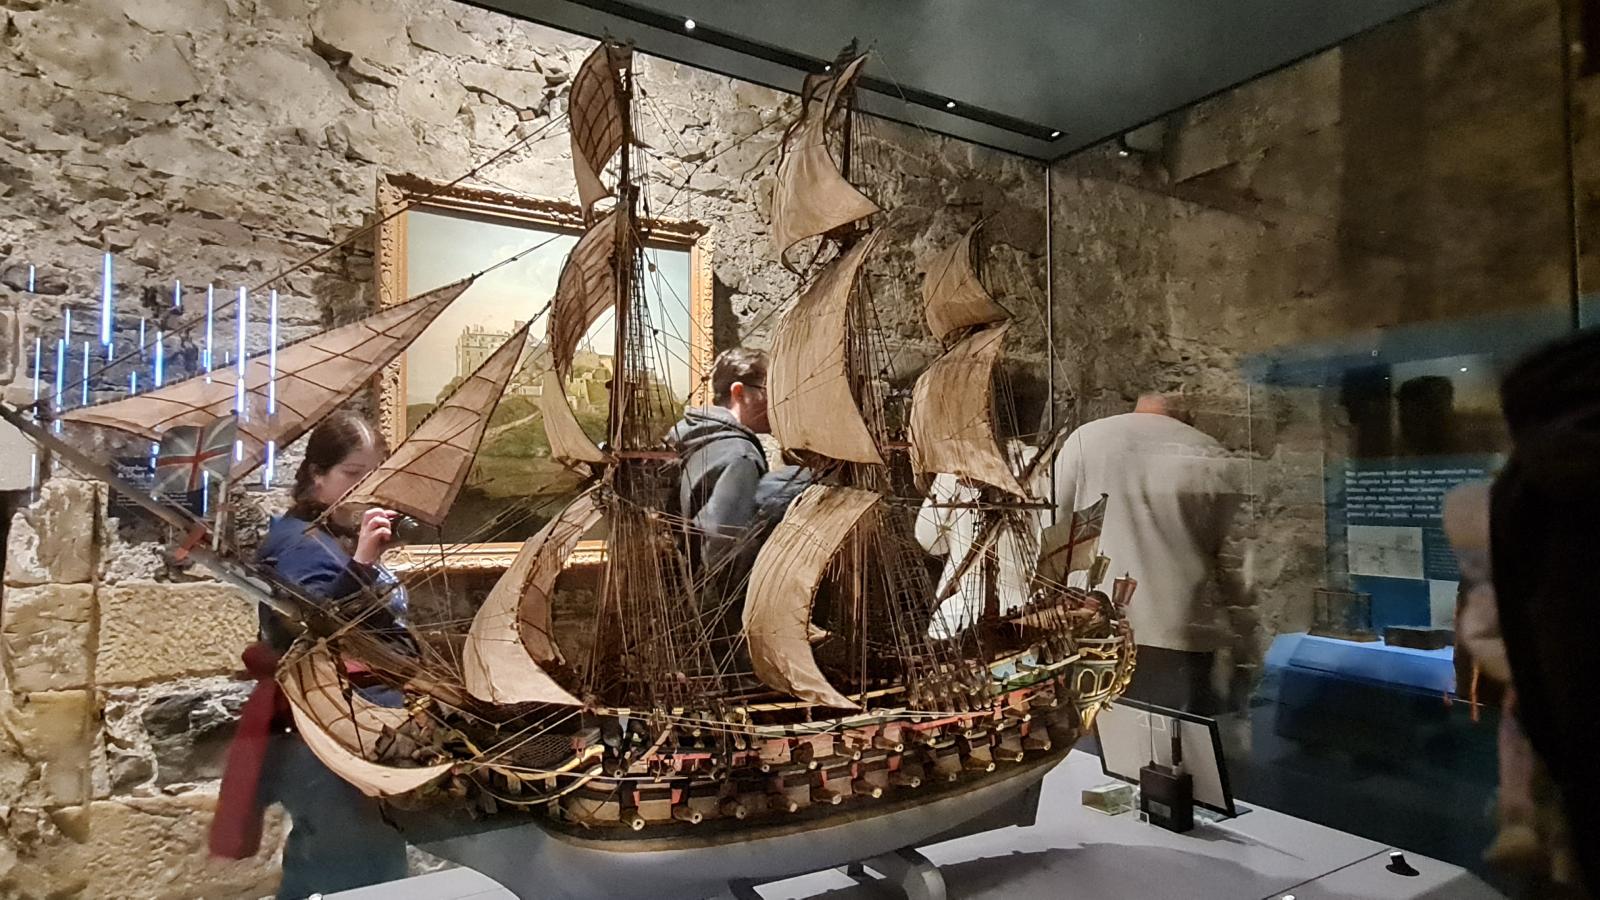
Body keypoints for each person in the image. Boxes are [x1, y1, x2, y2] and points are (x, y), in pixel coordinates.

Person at [212, 410, 412, 899]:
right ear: (317, 476)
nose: (365, 488)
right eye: (352, 474)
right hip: (324, 735)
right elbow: (316, 627)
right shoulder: (296, 544)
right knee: (350, 867)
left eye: (375, 475)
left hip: (355, 730)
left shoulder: (330, 537)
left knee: (353, 862)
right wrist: (363, 564)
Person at [1051, 390, 1243, 714]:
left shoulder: (1085, 440)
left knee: (1094, 752)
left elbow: (1053, 535)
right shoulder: (1212, 455)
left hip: (1094, 634)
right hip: (1178, 632)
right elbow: (1233, 560)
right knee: (1177, 752)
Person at [666, 347, 776, 568]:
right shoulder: (740, 455)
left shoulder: (693, 434)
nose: (777, 402)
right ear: (739, 393)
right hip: (716, 597)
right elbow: (728, 558)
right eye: (770, 390)